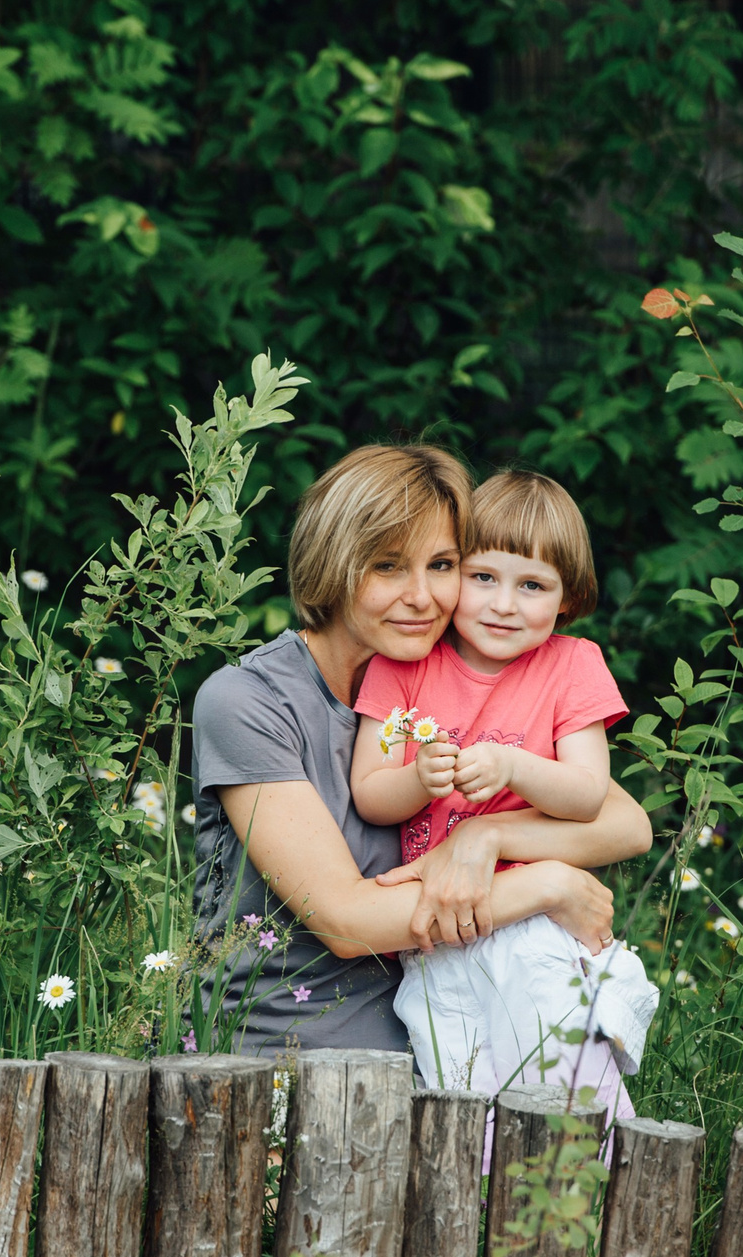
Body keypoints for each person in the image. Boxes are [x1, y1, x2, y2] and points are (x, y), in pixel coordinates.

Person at [189, 442, 653, 1060]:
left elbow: (624, 822)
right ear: (334, 565)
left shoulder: (454, 685)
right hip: (281, 1055)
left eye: (442, 565)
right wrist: (547, 886)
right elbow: (345, 924)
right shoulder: (248, 702)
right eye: (388, 567)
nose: (423, 597)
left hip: (441, 1043)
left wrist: (482, 840)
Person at [349, 470, 657, 1114]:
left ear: (567, 599)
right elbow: (372, 793)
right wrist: (417, 778)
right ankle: (477, 1207)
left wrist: (515, 767)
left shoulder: (571, 664)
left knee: (562, 1097)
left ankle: (585, 1196)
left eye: (533, 586)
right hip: (434, 938)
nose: (503, 604)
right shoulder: (403, 666)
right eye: (483, 577)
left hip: (532, 929)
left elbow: (586, 793)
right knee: (456, 1098)